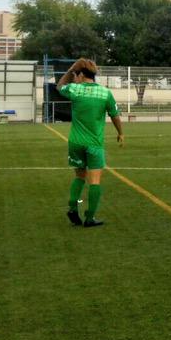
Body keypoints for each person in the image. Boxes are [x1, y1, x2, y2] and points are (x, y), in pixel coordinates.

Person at [56, 58, 125, 228]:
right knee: (94, 181)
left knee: (79, 176)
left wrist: (70, 70)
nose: (74, 77)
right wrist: (121, 133)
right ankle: (90, 218)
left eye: (76, 75)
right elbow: (114, 115)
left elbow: (59, 86)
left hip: (75, 142)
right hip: (94, 143)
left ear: (80, 74)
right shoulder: (105, 93)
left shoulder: (75, 89)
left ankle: (73, 208)